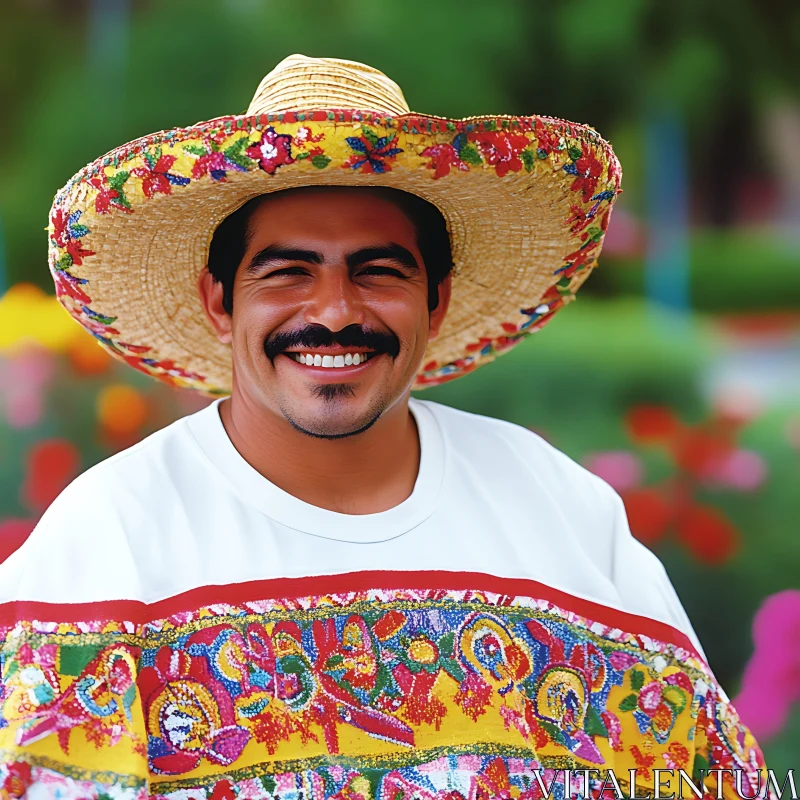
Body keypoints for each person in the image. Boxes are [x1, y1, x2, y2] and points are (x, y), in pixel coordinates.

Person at [0, 56, 767, 800]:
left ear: (434, 302)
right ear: (219, 301)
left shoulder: (563, 512)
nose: (334, 311)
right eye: (288, 271)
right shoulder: (111, 541)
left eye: (378, 270)